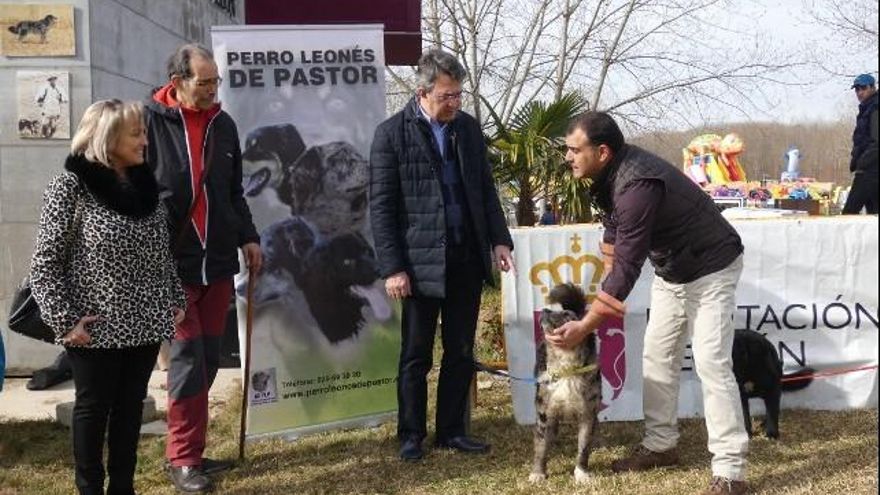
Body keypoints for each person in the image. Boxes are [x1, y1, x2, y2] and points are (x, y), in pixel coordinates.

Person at [549, 112, 749, 495]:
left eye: (575, 150)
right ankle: (661, 446)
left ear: (602, 151)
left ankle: (731, 472)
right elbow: (613, 232)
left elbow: (626, 268)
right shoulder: (609, 175)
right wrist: (603, 292)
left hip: (712, 266)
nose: (568, 157)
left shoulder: (637, 184)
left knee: (711, 363)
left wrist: (586, 325)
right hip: (674, 270)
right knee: (658, 356)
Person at [29, 99, 187, 495]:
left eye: (144, 132)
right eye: (136, 133)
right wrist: (64, 320)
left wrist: (174, 296)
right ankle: (89, 489)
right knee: (93, 410)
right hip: (94, 328)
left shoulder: (142, 184)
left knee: (130, 411)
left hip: (146, 322)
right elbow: (45, 262)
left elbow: (161, 251)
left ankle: (123, 488)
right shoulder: (70, 187)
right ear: (108, 136)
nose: (145, 141)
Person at [369, 48, 515, 461]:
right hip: (417, 266)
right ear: (423, 92)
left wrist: (499, 239)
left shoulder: (467, 129)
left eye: (458, 95)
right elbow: (381, 208)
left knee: (461, 349)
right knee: (415, 354)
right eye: (447, 96)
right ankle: (411, 434)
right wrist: (393, 267)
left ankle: (452, 430)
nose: (455, 103)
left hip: (465, 257)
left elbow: (486, 190)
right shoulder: (391, 135)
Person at [144, 43, 261, 493]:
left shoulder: (224, 124)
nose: (214, 90)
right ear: (177, 83)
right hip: (170, 266)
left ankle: (190, 447)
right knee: (189, 360)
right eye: (204, 83)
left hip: (217, 264)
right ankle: (184, 459)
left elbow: (234, 193)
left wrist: (248, 236)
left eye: (216, 82)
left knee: (209, 359)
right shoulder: (148, 122)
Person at [843, 73, 878, 214]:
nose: (859, 92)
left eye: (863, 88)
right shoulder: (867, 108)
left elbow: (877, 142)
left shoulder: (875, 108)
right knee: (874, 216)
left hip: (870, 171)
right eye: (856, 89)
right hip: (870, 170)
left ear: (872, 87)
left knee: (848, 214)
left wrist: (862, 163)